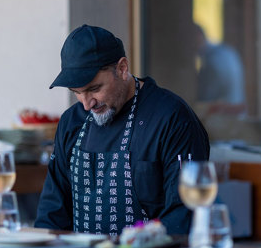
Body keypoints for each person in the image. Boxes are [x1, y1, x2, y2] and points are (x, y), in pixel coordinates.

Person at [34, 25, 210, 235]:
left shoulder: (171, 118)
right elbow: (52, 213)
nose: (86, 104)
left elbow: (185, 214)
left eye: (94, 89)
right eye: (77, 93)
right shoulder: (71, 122)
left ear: (122, 68)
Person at [194, 24, 245, 106]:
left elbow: (205, 98)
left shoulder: (211, 62)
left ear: (198, 36)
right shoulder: (228, 51)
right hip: (238, 113)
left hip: (223, 115)